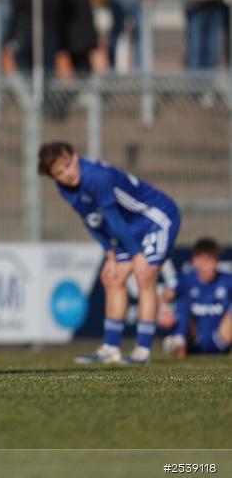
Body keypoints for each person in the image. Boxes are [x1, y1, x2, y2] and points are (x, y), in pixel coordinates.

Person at [38, 142, 181, 365]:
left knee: (145, 276)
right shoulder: (64, 188)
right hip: (131, 227)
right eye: (59, 173)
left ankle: (142, 351)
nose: (67, 174)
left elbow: (113, 220)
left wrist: (136, 255)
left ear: (75, 157)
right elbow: (92, 221)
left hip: (156, 218)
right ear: (53, 177)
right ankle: (110, 348)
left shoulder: (96, 177)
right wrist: (110, 254)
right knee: (111, 277)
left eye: (68, 165)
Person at [162, 238, 231, 357]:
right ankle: (179, 341)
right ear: (195, 261)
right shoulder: (184, 278)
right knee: (183, 301)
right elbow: (164, 296)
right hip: (193, 339)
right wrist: (164, 313)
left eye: (214, 261)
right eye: (207, 261)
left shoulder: (226, 279)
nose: (212, 266)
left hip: (221, 339)